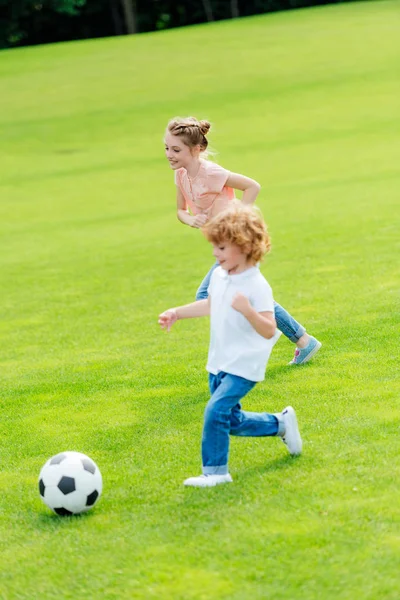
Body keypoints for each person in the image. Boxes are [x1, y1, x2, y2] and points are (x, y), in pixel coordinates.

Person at [158, 204, 302, 487]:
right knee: (231, 420)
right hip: (219, 360)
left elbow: (269, 329)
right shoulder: (220, 275)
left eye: (222, 248)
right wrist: (177, 312)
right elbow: (211, 304)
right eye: (215, 247)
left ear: (245, 246)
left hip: (244, 363)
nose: (215, 253)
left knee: (216, 410)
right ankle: (281, 424)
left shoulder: (256, 285)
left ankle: (216, 473)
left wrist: (248, 310)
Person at [164, 116, 321, 365]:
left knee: (208, 294)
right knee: (243, 295)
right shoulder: (181, 175)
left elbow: (252, 186)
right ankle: (299, 339)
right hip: (224, 242)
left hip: (238, 240)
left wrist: (237, 219)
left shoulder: (212, 172)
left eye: (176, 149)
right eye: (167, 148)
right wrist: (190, 219)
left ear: (196, 149)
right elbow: (180, 210)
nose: (169, 154)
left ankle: (269, 338)